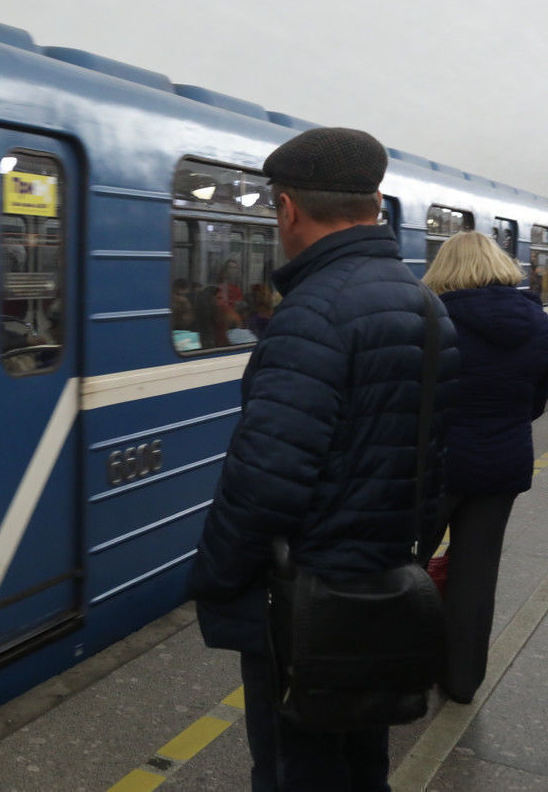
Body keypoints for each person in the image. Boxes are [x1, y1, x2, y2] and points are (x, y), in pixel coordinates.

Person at [186, 127, 458, 792]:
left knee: (295, 769)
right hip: (382, 590)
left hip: (305, 608)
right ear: (375, 203)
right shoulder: (426, 307)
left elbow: (264, 483)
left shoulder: (313, 315)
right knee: (362, 764)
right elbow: (435, 464)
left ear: (287, 209)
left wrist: (215, 580)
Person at [420, 231, 548, 703]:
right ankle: (461, 681)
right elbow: (538, 397)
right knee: (477, 575)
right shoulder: (536, 321)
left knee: (405, 567)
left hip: (438, 466)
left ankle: (396, 670)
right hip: (502, 465)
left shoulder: (434, 318)